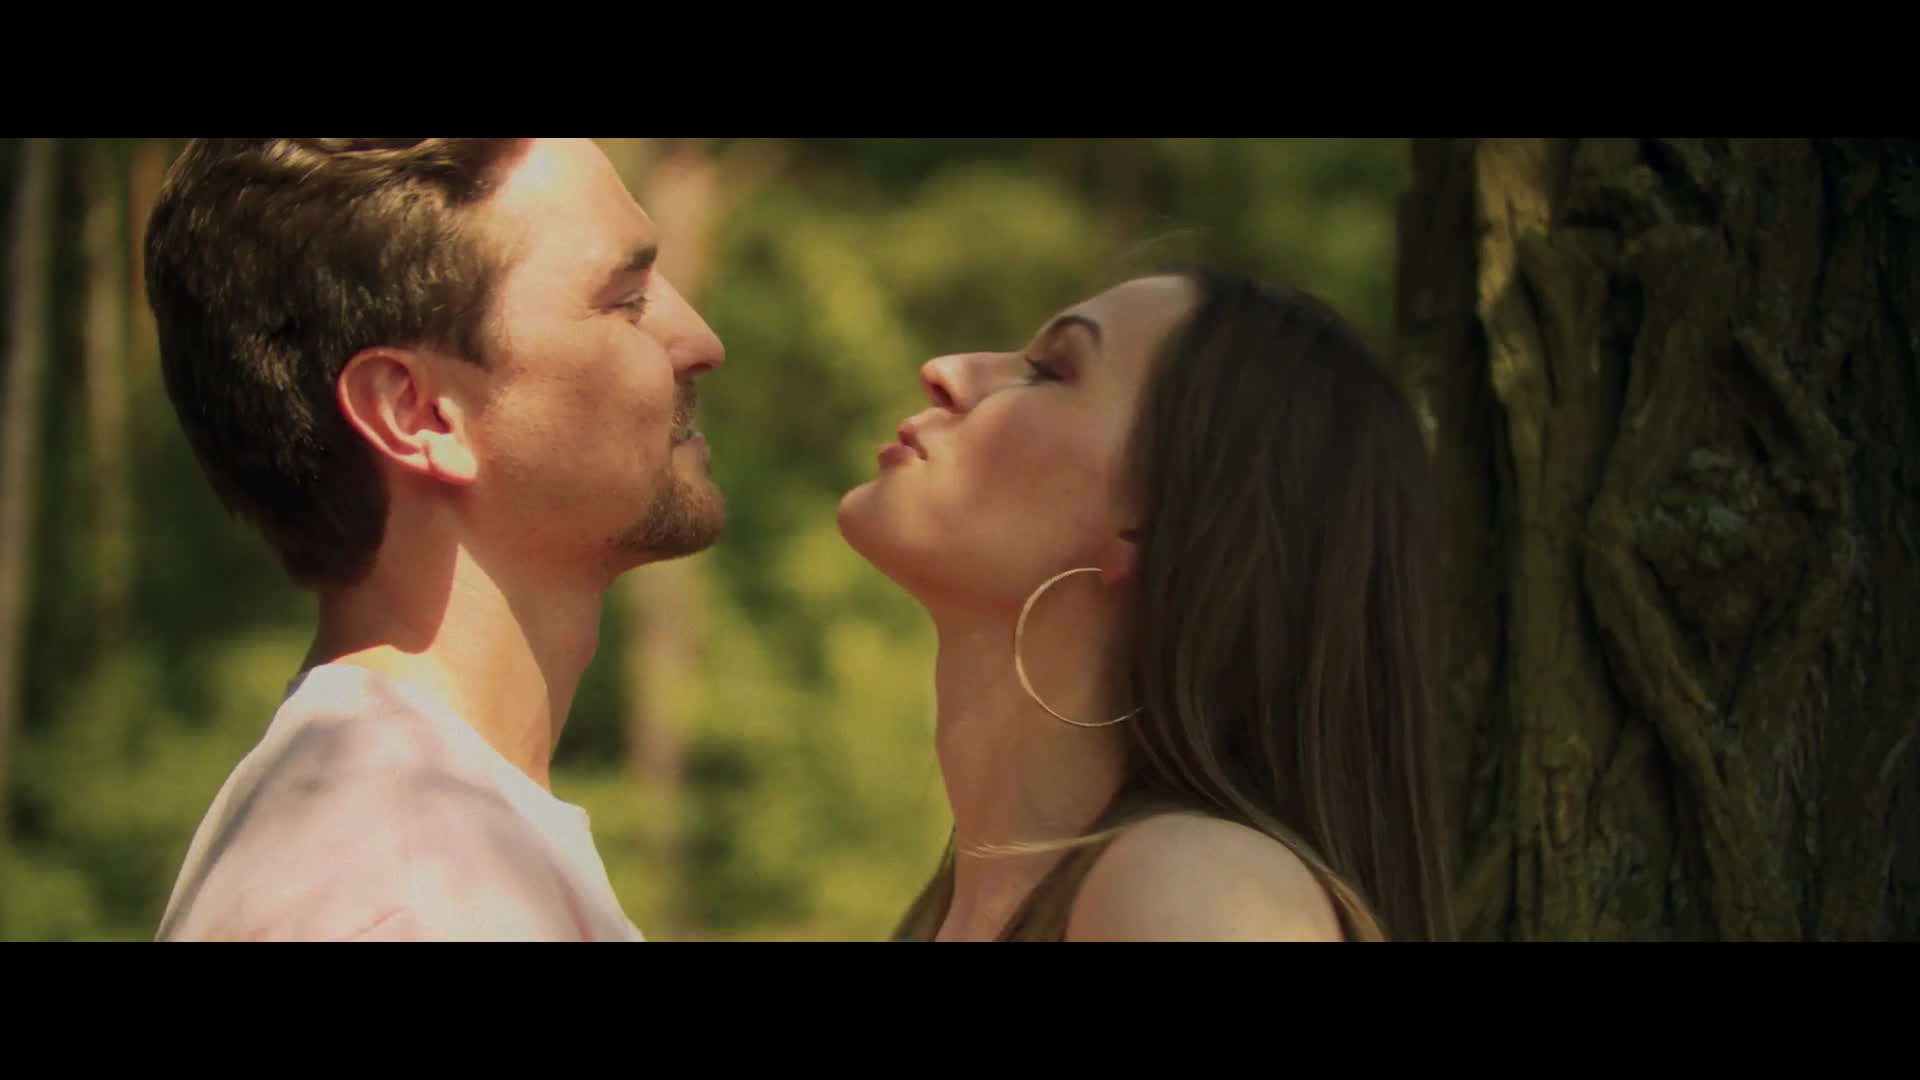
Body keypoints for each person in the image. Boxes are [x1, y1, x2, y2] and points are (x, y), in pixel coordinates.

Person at [144, 138, 725, 941]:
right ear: (417, 413)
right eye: (624, 302)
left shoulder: (414, 838)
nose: (700, 342)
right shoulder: (412, 893)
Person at [837, 267, 1455, 941]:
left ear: (1161, 529)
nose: (946, 371)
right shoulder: (951, 917)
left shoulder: (1198, 890)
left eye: (1048, 371)